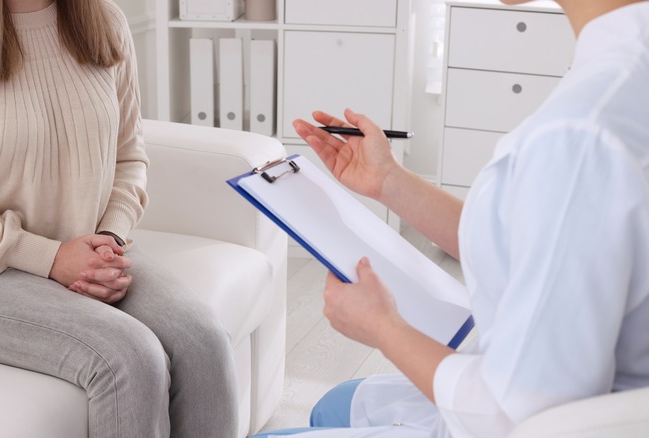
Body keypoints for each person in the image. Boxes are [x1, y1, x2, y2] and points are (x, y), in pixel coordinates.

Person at [253, 0, 649, 436]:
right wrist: (388, 181)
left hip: (531, 419)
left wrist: (384, 328)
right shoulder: (618, 71)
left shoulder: (582, 131)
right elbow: (529, 240)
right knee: (336, 402)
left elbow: (518, 411)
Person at [0, 0, 238, 437]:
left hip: (95, 252)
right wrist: (52, 258)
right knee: (130, 357)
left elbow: (129, 157)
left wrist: (109, 237)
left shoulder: (105, 19)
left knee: (204, 341)